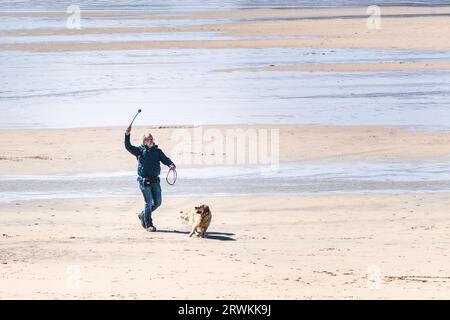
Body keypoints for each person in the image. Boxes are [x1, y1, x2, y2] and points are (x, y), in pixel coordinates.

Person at [124, 125, 176, 232]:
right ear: (144, 141)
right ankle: (148, 225)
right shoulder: (139, 151)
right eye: (149, 139)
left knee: (157, 203)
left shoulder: (157, 151)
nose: (151, 140)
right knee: (148, 202)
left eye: (152, 139)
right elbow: (128, 146)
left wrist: (171, 164)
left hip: (155, 180)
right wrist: (127, 135)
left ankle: (142, 214)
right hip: (143, 181)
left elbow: (165, 159)